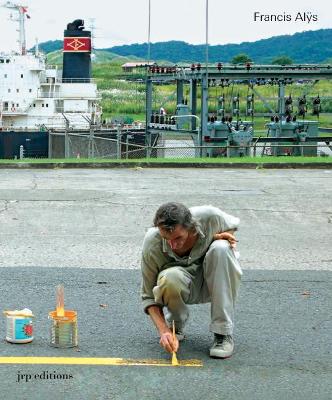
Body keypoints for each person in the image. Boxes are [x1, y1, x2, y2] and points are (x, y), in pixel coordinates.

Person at [140, 202, 242, 359]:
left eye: (178, 238)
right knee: (170, 278)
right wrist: (164, 331)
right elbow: (148, 296)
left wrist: (220, 236)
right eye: (167, 238)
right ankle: (175, 325)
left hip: (215, 279)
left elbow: (232, 226)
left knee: (221, 248)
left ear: (191, 227)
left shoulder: (210, 216)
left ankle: (223, 333)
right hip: (182, 282)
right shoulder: (152, 243)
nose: (173, 245)